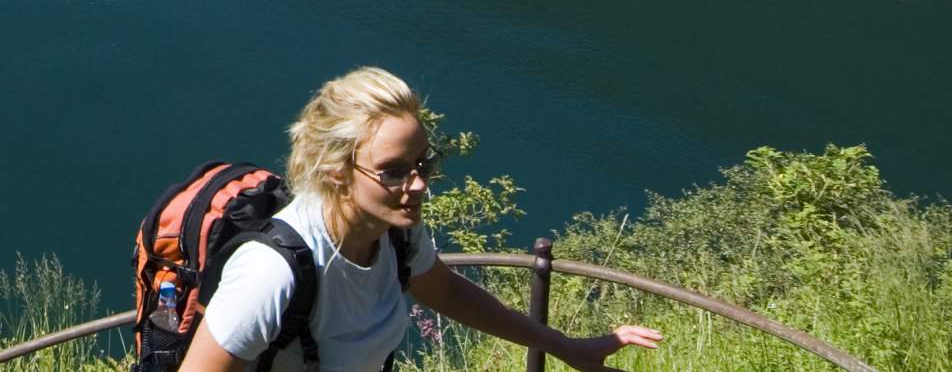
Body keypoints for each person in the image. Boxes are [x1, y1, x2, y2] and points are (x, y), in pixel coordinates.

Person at [181, 67, 662, 372]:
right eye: (393, 171)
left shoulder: (396, 233)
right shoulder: (272, 271)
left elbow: (446, 291)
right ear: (335, 171)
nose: (418, 185)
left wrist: (564, 347)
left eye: (422, 164)